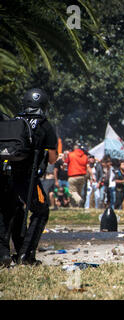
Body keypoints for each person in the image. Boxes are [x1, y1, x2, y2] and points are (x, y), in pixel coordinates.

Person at [10, 88, 58, 265]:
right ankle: (26, 255)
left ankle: (9, 252)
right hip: (28, 178)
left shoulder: (16, 121)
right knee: (41, 211)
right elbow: (53, 158)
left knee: (14, 211)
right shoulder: (44, 124)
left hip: (9, 175)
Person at [66, 142, 89, 207]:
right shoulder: (85, 156)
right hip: (82, 177)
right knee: (78, 192)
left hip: (73, 176)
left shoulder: (70, 155)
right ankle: (76, 206)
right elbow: (87, 166)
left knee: (72, 192)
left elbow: (65, 163)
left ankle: (79, 201)